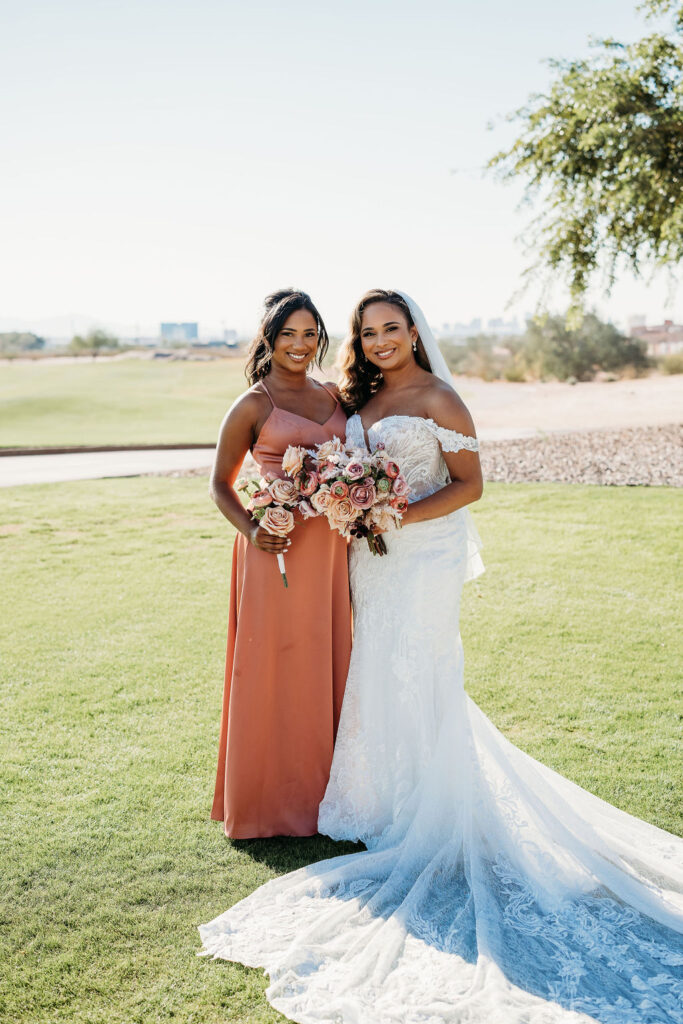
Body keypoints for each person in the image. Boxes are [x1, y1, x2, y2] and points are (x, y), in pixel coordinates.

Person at [199, 290, 683, 1023]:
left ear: (414, 331)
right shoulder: (355, 394)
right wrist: (352, 511)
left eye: (390, 328)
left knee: (419, 670)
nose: (379, 340)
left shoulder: (440, 396)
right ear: (355, 343)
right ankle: (378, 798)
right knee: (374, 671)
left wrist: (389, 511)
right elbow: (291, 469)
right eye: (367, 331)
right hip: (366, 559)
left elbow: (471, 485)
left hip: (418, 553)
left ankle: (430, 802)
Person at [208, 288, 350, 839]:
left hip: (331, 555)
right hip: (276, 555)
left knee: (326, 663)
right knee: (273, 668)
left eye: (310, 333)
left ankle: (329, 802)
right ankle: (266, 805)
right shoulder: (253, 404)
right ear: (270, 337)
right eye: (288, 333)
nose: (300, 343)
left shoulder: (335, 395)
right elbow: (219, 485)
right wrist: (253, 529)